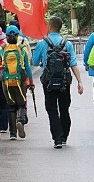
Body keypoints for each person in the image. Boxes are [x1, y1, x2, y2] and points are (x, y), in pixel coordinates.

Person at [32, 16, 84, 149]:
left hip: (48, 81)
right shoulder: (67, 43)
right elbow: (73, 64)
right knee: (64, 108)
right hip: (64, 81)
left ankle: (57, 138)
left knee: (51, 109)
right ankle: (64, 135)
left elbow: (35, 62)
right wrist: (79, 81)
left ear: (49, 26)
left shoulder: (42, 43)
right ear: (60, 27)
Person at [0, 25, 34, 141]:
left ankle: (12, 133)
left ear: (6, 37)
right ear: (18, 35)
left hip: (6, 81)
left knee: (10, 106)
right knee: (21, 104)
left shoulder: (3, 49)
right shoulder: (22, 49)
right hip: (20, 80)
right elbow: (28, 67)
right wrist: (31, 81)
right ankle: (20, 121)